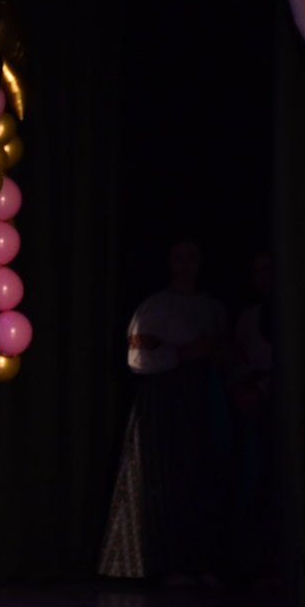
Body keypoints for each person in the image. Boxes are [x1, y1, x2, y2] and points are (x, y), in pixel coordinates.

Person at [98, 239, 232, 583]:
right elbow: (137, 359)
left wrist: (212, 356)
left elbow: (223, 352)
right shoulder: (156, 306)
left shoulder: (211, 307)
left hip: (201, 399)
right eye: (178, 256)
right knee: (165, 477)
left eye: (192, 256)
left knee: (202, 478)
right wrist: (184, 354)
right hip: (165, 401)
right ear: (169, 262)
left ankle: (201, 560)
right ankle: (169, 563)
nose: (185, 263)